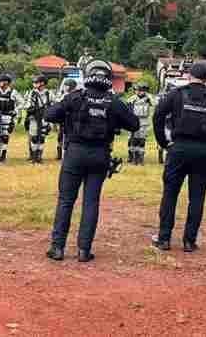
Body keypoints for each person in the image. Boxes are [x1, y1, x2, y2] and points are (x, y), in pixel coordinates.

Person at [45, 60, 138, 262]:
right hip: (100, 154)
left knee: (66, 200)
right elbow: (134, 124)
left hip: (75, 153)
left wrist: (67, 112)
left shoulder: (75, 98)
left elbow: (49, 115)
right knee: (91, 202)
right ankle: (84, 251)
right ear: (108, 79)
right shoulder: (113, 102)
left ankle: (58, 247)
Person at [151, 62, 206, 252]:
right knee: (197, 197)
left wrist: (164, 142)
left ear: (189, 75)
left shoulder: (176, 94)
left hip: (178, 149)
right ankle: (189, 241)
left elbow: (158, 116)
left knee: (170, 194)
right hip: (204, 152)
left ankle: (164, 239)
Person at [0, 74, 22, 163]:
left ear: (6, 83)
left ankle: (3, 156)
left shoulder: (13, 92)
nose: (0, 83)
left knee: (5, 137)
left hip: (8, 117)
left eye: (1, 81)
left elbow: (21, 102)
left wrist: (16, 111)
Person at [25, 75, 53, 163]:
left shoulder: (49, 93)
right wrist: (28, 109)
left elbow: (55, 102)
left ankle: (39, 156)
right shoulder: (32, 93)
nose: (34, 84)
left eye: (36, 82)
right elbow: (28, 104)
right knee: (34, 137)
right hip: (34, 118)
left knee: (42, 138)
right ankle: (33, 156)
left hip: (45, 118)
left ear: (42, 83)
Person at [127, 82, 155, 165]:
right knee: (134, 140)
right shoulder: (132, 99)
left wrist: (149, 98)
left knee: (142, 140)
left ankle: (141, 158)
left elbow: (155, 104)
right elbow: (127, 109)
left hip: (144, 122)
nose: (139, 92)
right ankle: (133, 158)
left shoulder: (148, 98)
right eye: (138, 90)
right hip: (135, 121)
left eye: (141, 90)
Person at [56, 78, 79, 160]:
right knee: (61, 137)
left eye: (66, 86)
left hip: (71, 122)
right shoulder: (64, 95)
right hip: (64, 121)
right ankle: (61, 155)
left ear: (70, 87)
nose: (64, 87)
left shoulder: (73, 96)